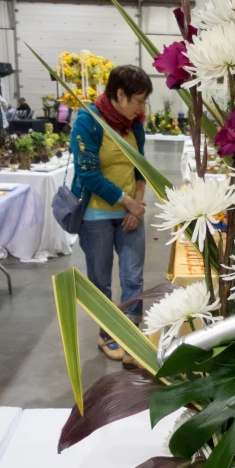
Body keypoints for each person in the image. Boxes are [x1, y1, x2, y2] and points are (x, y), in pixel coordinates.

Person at [70, 65, 151, 368]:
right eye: (139, 100)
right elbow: (88, 175)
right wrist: (128, 203)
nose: (143, 108)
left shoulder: (135, 123)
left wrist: (138, 205)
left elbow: (141, 166)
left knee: (133, 277)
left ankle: (129, 333)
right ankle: (107, 333)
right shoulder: (88, 123)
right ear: (120, 95)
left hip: (131, 213)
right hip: (97, 215)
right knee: (101, 280)